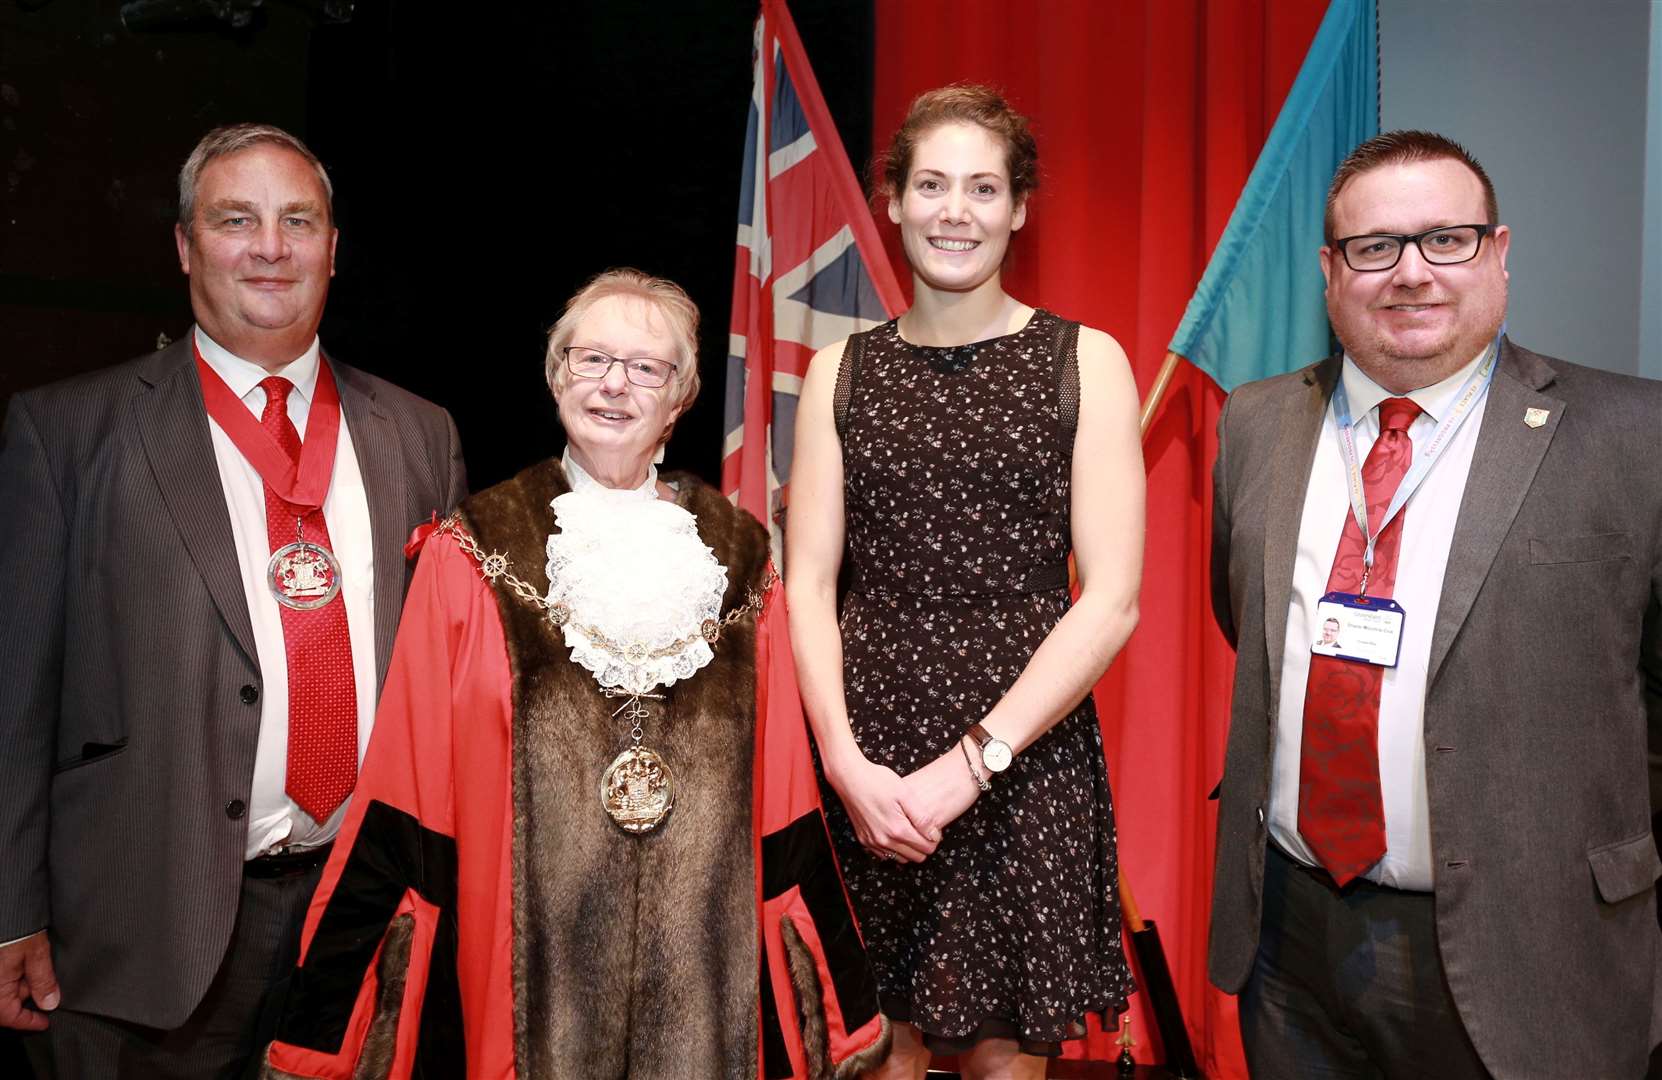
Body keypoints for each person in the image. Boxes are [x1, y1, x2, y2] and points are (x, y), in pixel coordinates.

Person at [258, 270, 889, 1079]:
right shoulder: (473, 548)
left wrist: (825, 1004)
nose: (615, 385)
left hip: (708, 979)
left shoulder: (741, 561)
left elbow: (785, 795)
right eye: (591, 360)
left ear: (681, 398)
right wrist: (340, 1020)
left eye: (647, 367)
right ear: (558, 377)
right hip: (517, 983)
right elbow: (408, 789)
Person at [0, 123, 466, 1076]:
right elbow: (13, 703)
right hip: (140, 928)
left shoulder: (420, 433)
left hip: (361, 914)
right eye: (235, 220)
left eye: (299, 220)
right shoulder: (67, 433)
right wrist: (8, 914)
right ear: (183, 245)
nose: (270, 246)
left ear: (334, 248)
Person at [1208, 129, 1662, 1079]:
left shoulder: (1634, 436)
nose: (1410, 273)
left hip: (1527, 947)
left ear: (1498, 254)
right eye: (1374, 248)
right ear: (1331, 273)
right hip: (1290, 935)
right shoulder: (1256, 420)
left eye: (1445, 240)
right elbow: (1244, 618)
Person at [788, 85, 1145, 1079]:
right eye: (932, 185)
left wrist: (973, 764)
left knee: (1002, 1059)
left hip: (1022, 762)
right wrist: (848, 766)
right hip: (869, 764)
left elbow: (1112, 598)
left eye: (982, 188)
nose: (956, 210)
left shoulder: (1089, 362)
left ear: (1019, 208)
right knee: (874, 1053)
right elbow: (809, 586)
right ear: (894, 201)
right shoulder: (839, 373)